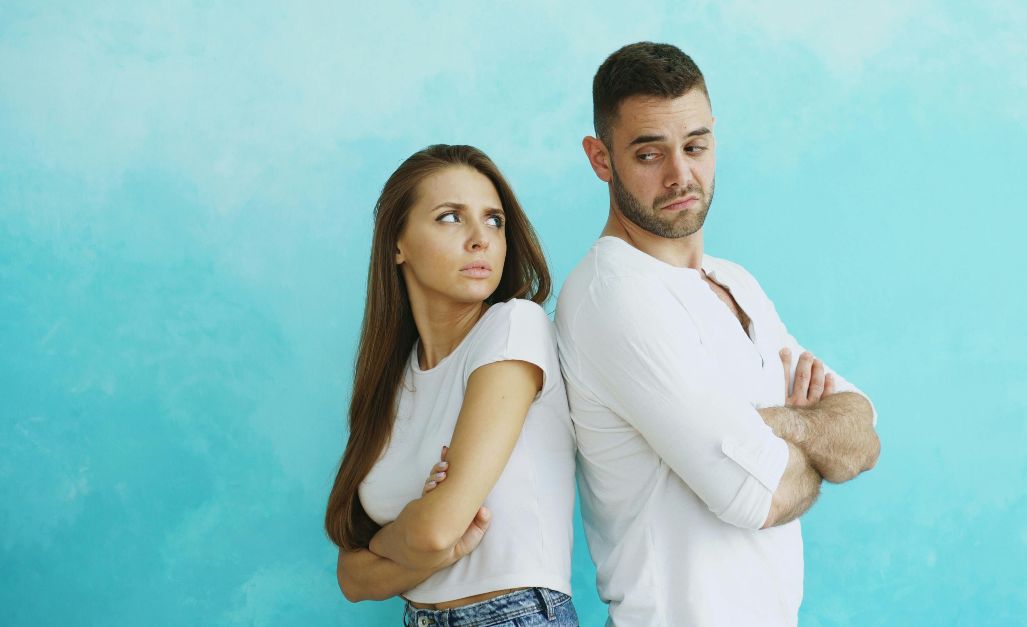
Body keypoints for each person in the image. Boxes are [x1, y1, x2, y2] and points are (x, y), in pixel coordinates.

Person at [554, 42, 882, 626]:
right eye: (649, 154)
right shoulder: (614, 295)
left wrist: (775, 426)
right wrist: (811, 437)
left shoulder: (736, 281)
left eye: (695, 146)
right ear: (601, 159)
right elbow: (759, 497)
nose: (680, 176)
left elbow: (863, 436)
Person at [325, 144, 579, 626]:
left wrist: (391, 541)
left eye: (494, 221)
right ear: (396, 244)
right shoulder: (392, 380)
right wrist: (422, 538)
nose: (481, 239)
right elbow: (352, 579)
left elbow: (437, 532)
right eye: (450, 218)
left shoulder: (514, 326)